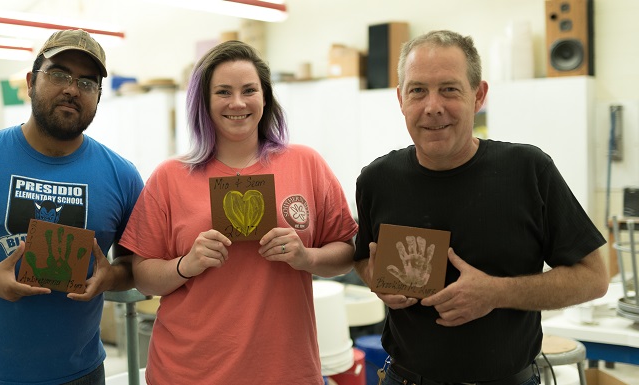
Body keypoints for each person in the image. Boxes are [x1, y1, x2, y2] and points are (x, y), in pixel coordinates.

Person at [353, 30, 609, 385]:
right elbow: (364, 257)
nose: (433, 106)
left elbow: (594, 278)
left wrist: (497, 293)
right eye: (417, 90)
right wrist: (377, 281)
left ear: (479, 95)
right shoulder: (377, 180)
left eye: (449, 89)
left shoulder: (528, 170)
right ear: (400, 99)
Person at [119, 40, 358, 384]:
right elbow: (142, 275)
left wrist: (306, 257)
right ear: (204, 101)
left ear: (265, 97)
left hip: (284, 369)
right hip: (190, 370)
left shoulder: (305, 163)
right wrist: (187, 264)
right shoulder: (170, 176)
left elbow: (347, 252)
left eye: (249, 90)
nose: (237, 103)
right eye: (223, 92)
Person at [0, 29, 144, 385]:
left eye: (87, 82)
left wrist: (111, 277)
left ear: (98, 97)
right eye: (58, 74)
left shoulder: (122, 176)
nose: (72, 88)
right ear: (30, 81)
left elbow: (136, 264)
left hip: (79, 374)